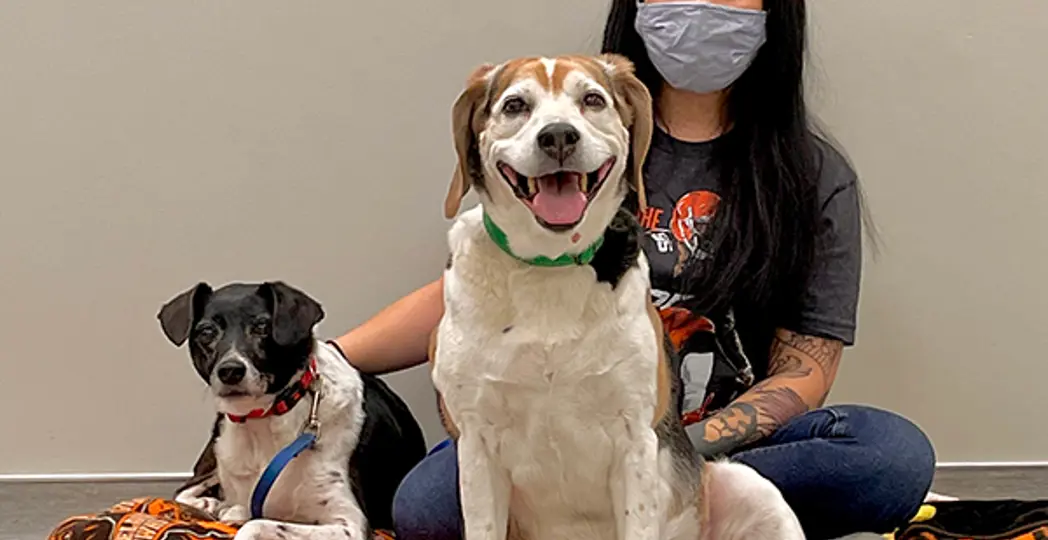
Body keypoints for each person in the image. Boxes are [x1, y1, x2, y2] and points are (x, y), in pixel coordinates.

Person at [332, 1, 936, 538]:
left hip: (711, 441)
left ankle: (679, 513)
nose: (698, 6)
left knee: (889, 456)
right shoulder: (555, 161)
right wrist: (328, 358)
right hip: (540, 440)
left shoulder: (812, 175)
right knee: (424, 505)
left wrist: (667, 451)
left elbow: (807, 370)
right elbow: (469, 299)